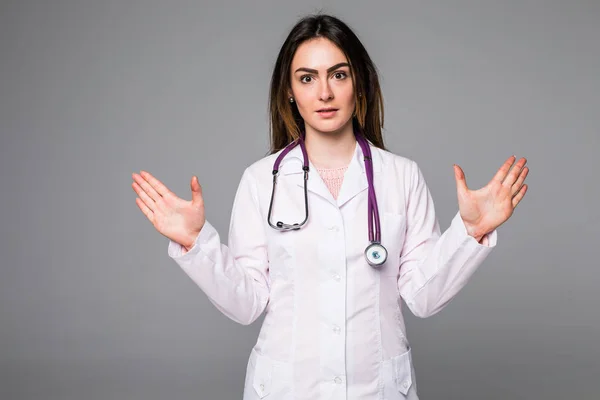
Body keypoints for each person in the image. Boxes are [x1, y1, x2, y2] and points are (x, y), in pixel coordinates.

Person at [131, 13, 528, 400]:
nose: (324, 93)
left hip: (377, 387)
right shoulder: (260, 179)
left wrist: (471, 231)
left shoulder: (401, 176)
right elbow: (246, 303)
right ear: (289, 90)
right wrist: (196, 243)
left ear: (360, 83)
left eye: (338, 75)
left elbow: (423, 298)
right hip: (288, 388)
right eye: (307, 78)